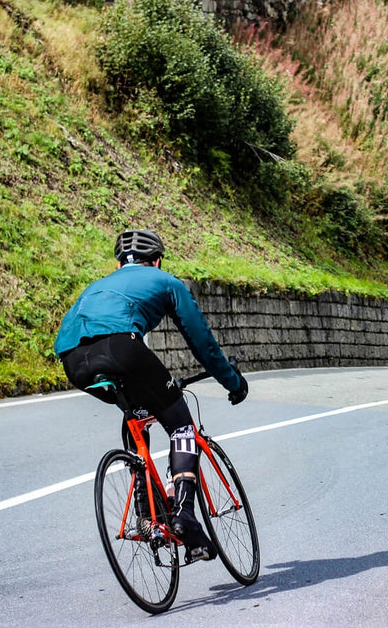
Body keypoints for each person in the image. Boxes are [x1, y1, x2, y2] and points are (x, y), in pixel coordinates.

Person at [54, 229, 248, 562]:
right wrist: (232, 382)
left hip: (72, 359)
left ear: (119, 264)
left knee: (136, 416)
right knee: (181, 424)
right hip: (120, 348)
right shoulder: (166, 281)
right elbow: (201, 342)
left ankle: (146, 516)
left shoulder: (98, 286)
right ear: (156, 261)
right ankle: (184, 514)